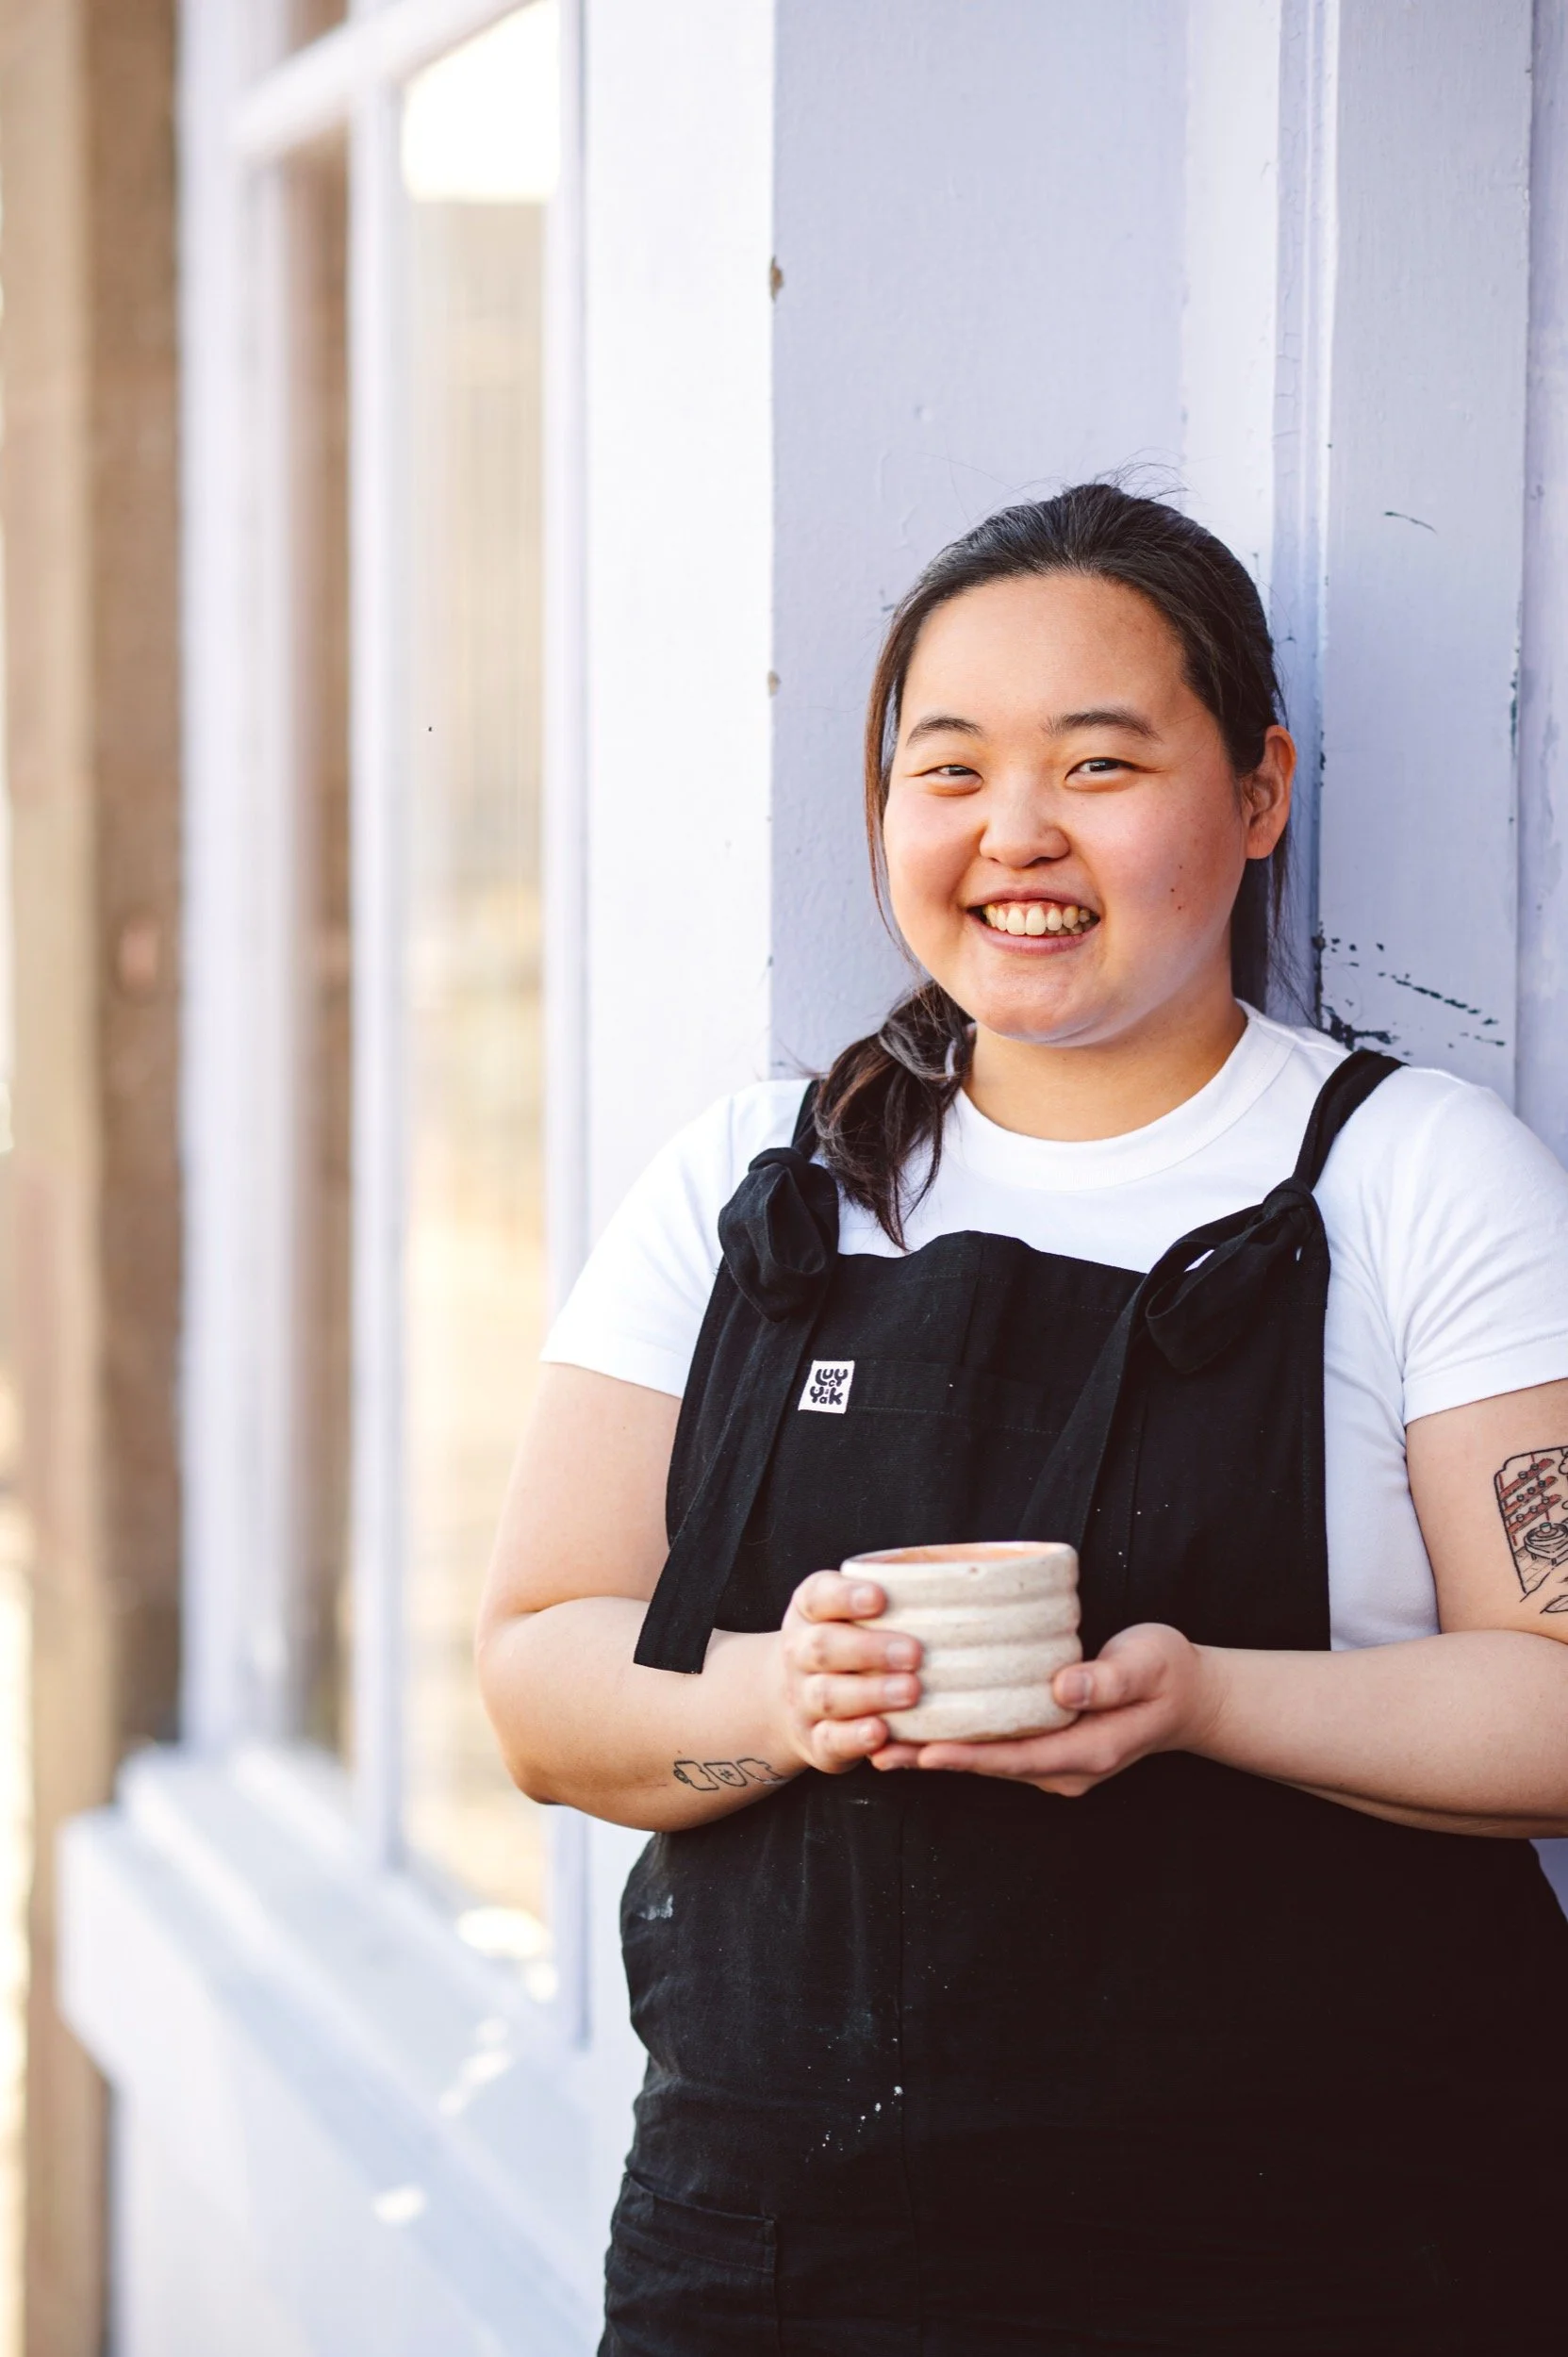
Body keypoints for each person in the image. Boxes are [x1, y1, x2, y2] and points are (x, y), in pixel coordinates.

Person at [477, 485, 1568, 2356]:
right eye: (950, 767)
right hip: (780, 2267)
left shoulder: (1409, 1174)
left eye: (1100, 761)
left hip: (1334, 2248)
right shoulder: (755, 1183)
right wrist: (779, 1699)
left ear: (1260, 792)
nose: (1017, 834)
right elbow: (538, 1676)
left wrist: (1202, 1697)